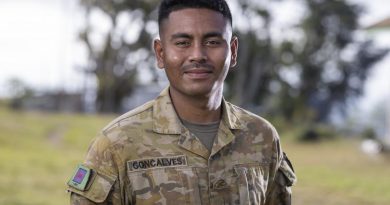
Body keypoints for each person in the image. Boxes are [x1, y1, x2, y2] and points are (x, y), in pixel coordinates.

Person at [66, 0, 297, 204]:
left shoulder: (262, 137)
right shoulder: (116, 144)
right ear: (160, 53)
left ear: (233, 51)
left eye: (213, 41)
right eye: (183, 43)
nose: (197, 54)